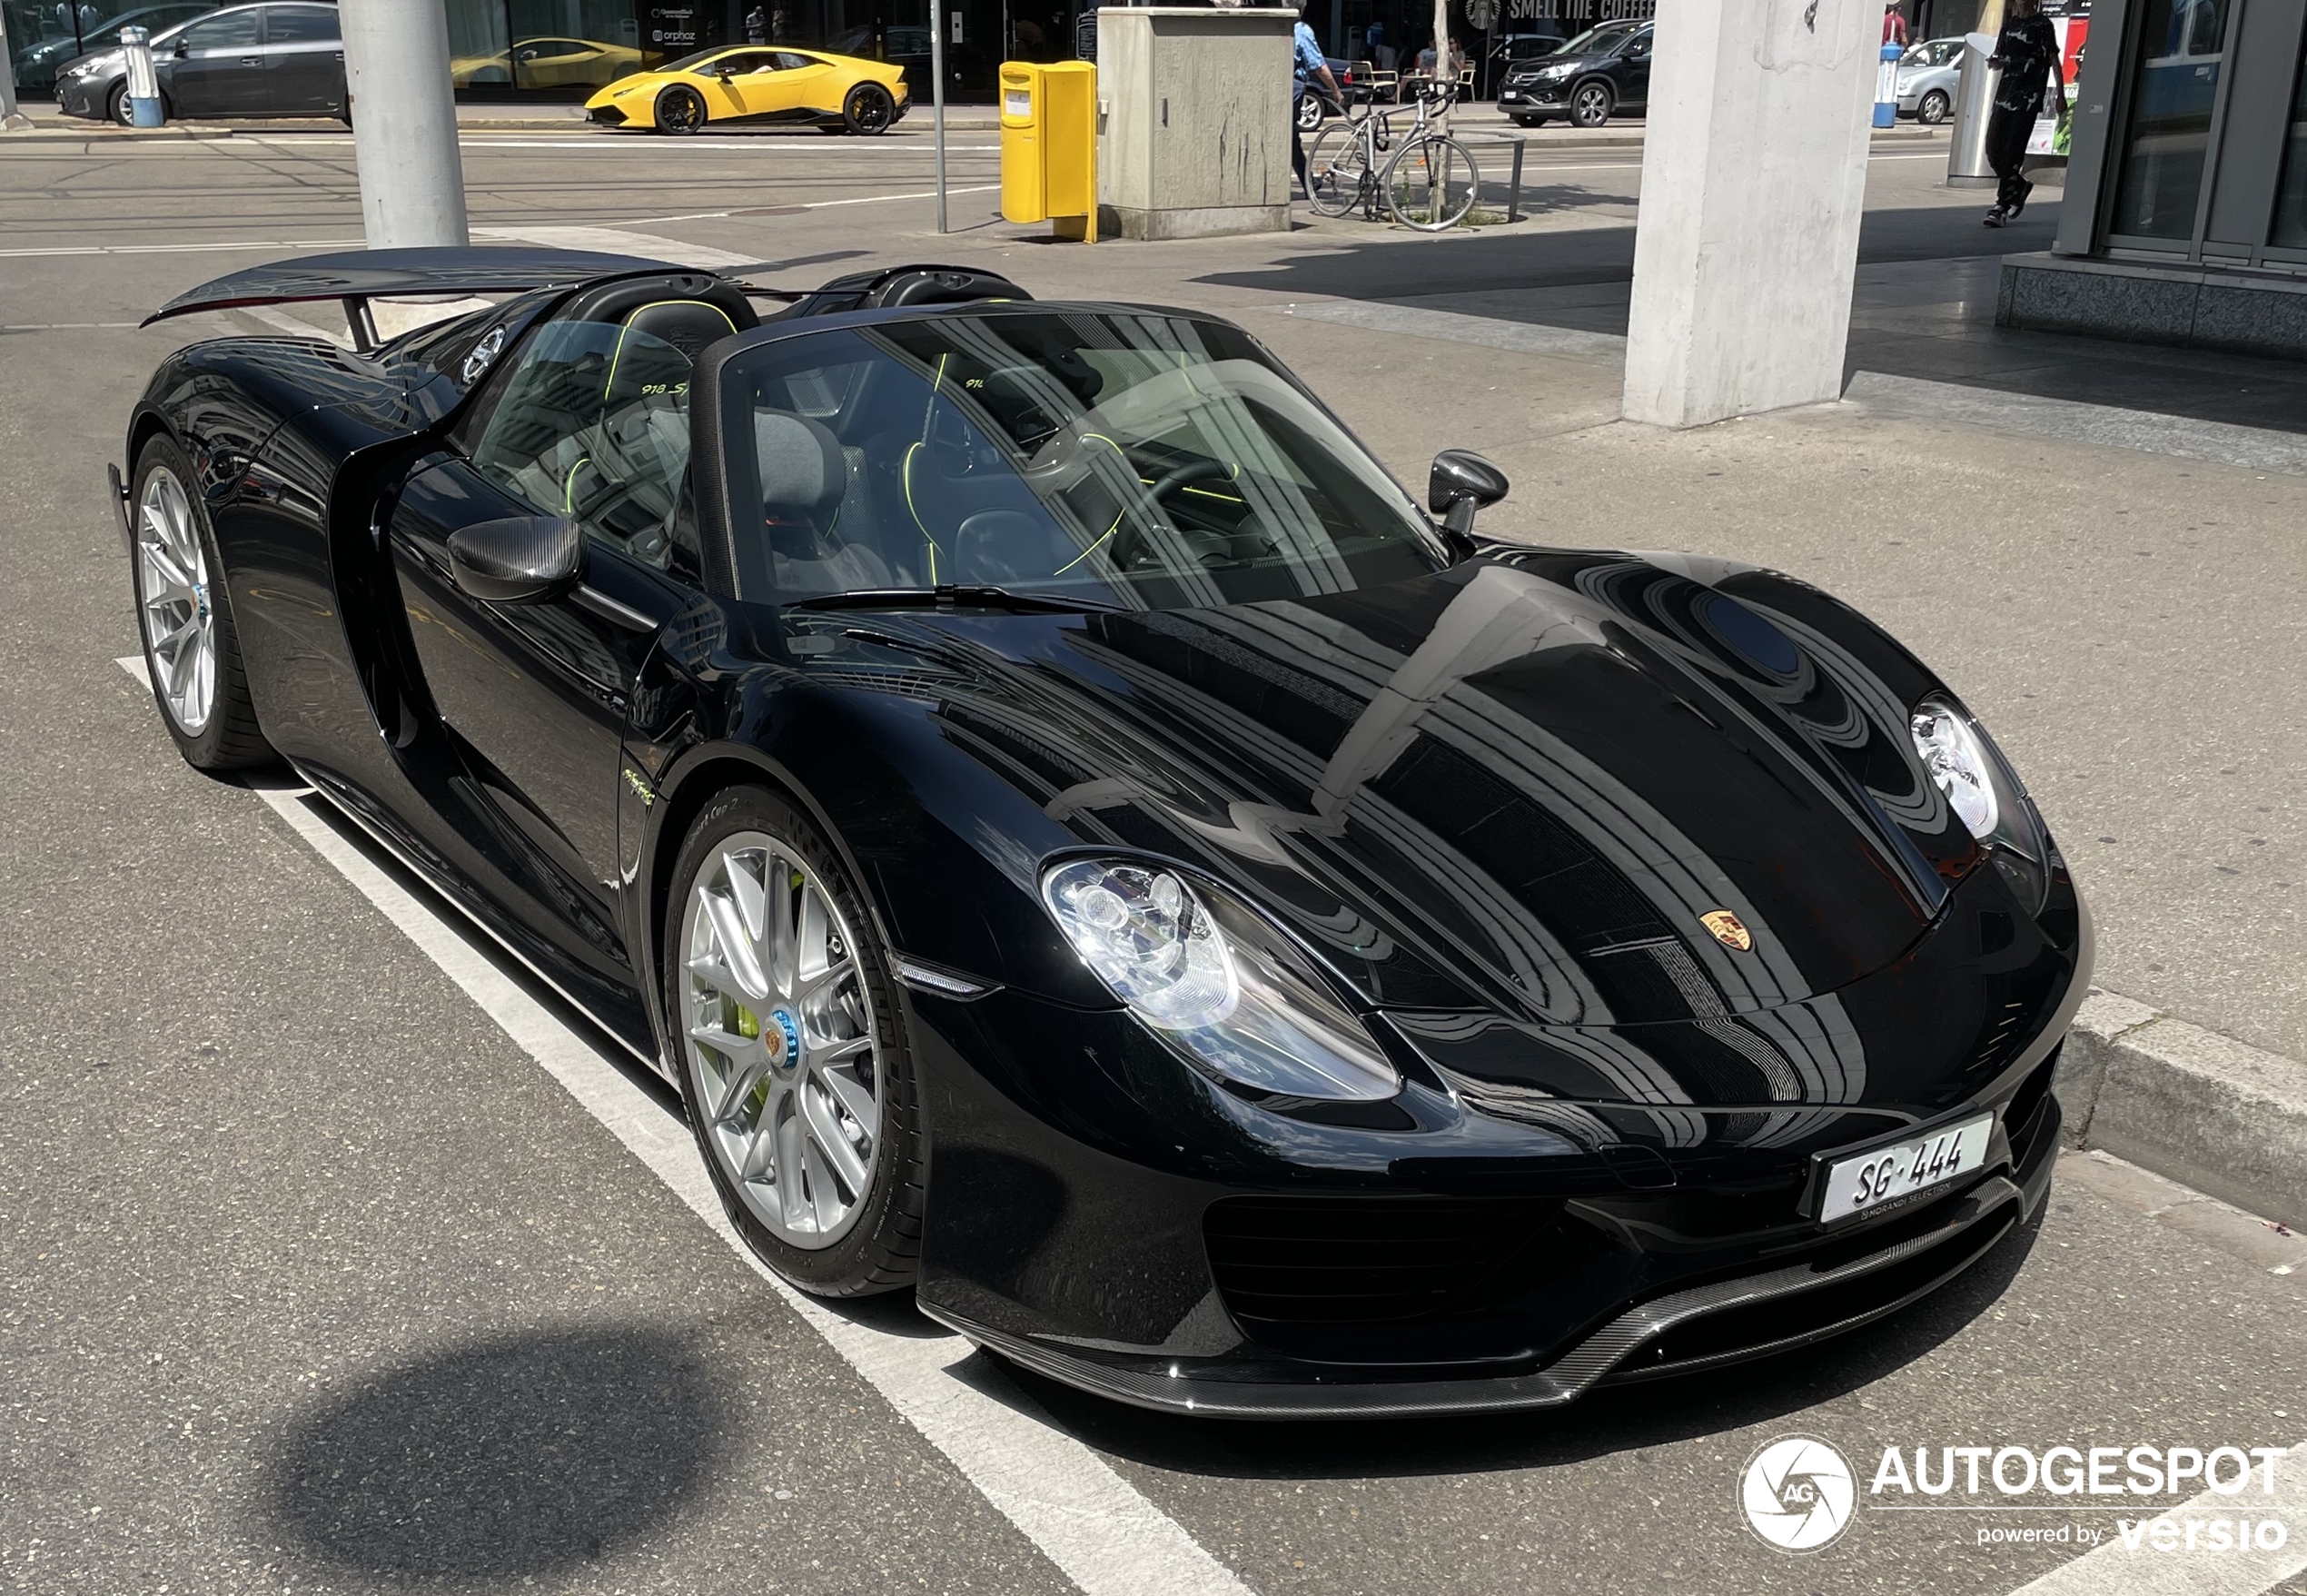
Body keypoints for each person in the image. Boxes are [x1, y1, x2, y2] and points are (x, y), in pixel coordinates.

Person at [1984, 0, 2064, 227]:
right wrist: (1995, 62)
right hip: (2005, 95)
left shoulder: (2041, 24)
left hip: (2028, 96)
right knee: (1993, 150)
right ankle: (2018, 186)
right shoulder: (2009, 25)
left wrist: (2060, 94)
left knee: (2012, 151)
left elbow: (2053, 59)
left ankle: (2001, 206)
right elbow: (2000, 58)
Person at [1292, 1, 1340, 196]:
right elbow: (1318, 66)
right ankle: (1308, 183)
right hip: (1292, 87)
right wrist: (1335, 90)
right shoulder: (1300, 30)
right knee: (1289, 138)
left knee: (1290, 139)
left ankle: (1308, 183)